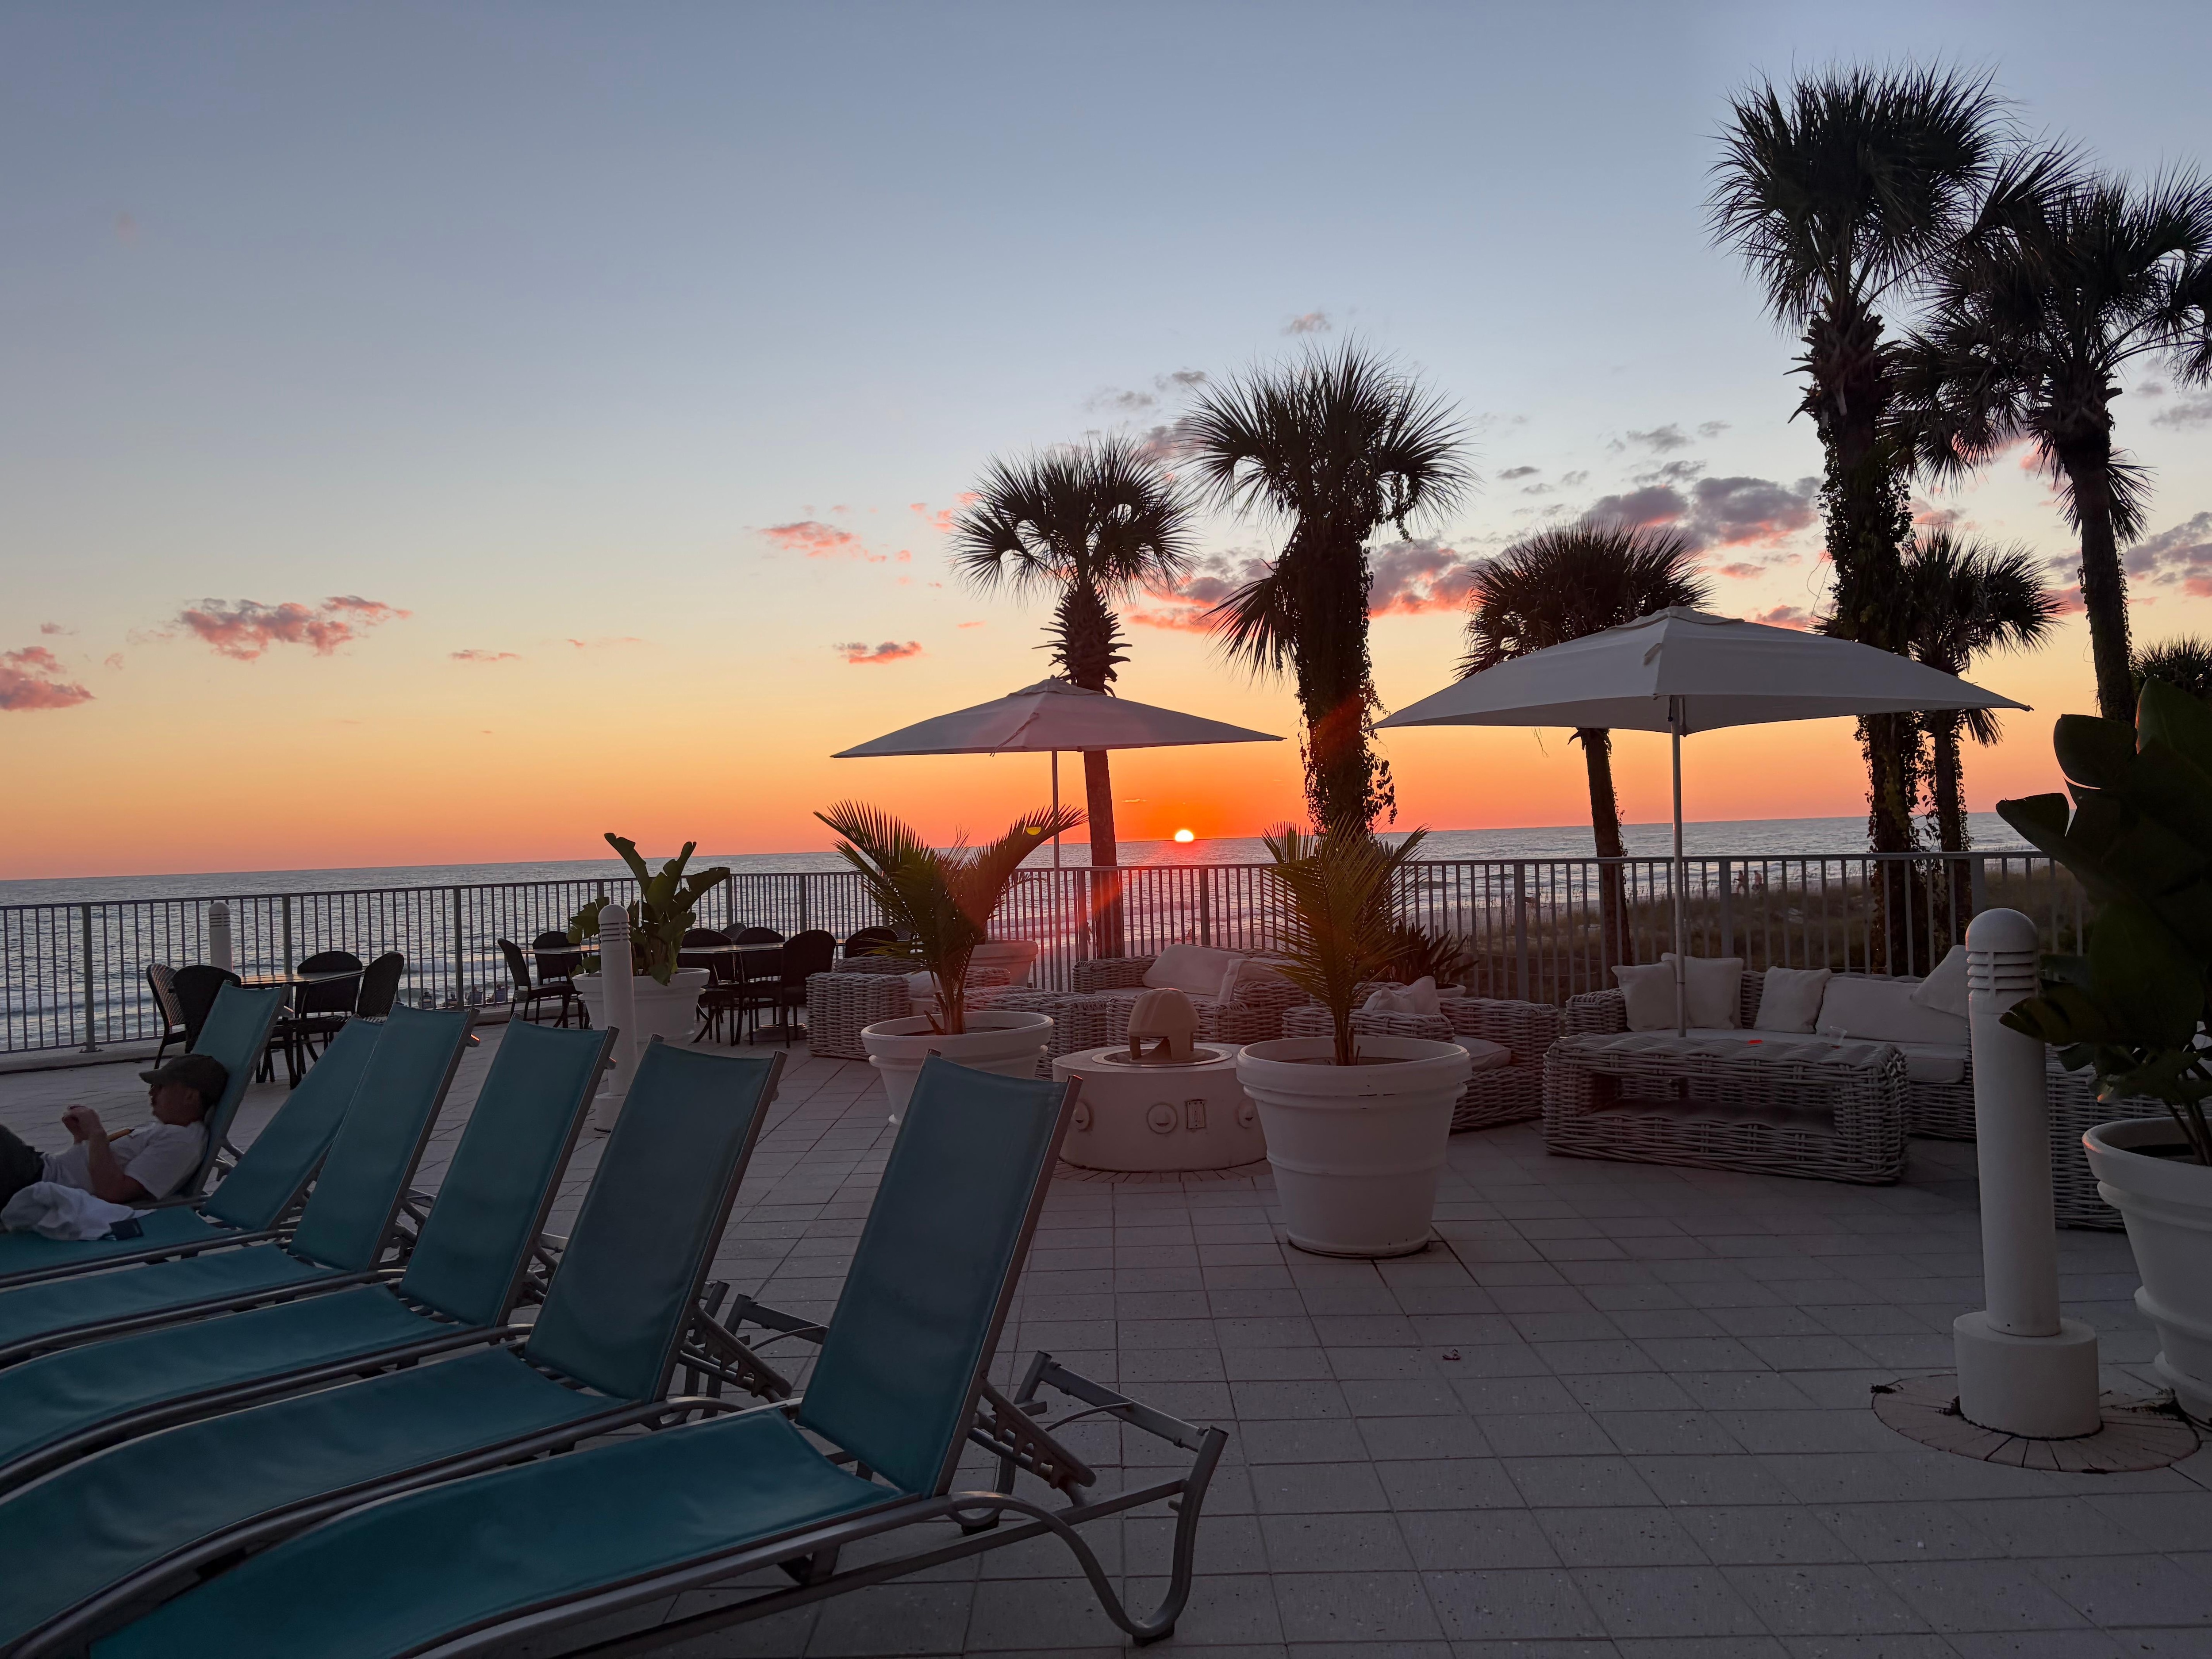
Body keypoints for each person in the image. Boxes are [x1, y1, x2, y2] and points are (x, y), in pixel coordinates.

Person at [0, 1053, 228, 1211]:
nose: (152, 1093)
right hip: (41, 1174)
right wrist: (83, 1139)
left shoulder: (181, 1142)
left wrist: (97, 1134)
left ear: (191, 1096)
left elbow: (114, 1192)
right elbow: (95, 1169)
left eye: (161, 1086)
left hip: (38, 1183)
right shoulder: (167, 1131)